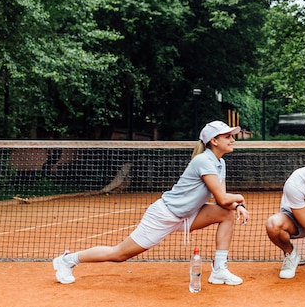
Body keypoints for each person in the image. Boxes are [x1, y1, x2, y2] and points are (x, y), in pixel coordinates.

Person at [53, 120, 250, 286]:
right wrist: (239, 199)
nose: (232, 139)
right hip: (165, 215)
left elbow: (221, 200)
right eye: (227, 137)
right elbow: (225, 198)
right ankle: (68, 260)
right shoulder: (203, 161)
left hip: (188, 214)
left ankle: (219, 269)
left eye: (231, 136)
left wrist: (237, 206)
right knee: (119, 254)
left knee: (227, 214)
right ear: (214, 141)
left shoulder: (220, 163)